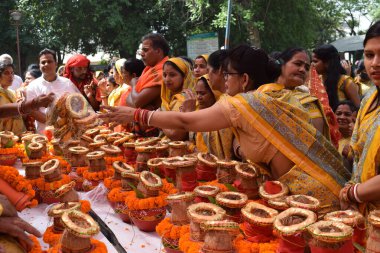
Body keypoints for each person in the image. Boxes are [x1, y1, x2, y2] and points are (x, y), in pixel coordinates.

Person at [100, 45, 350, 215]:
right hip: (313, 190)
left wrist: (136, 114)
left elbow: (188, 122)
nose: (223, 79)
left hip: (312, 197)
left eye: (227, 74)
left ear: (244, 79)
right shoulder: (274, 97)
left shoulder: (245, 103)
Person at [339, 20, 380, 215]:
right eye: (369, 55)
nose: (375, 63)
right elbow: (358, 154)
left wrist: (352, 193)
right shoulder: (368, 99)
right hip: (362, 209)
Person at [26, 48, 82, 133]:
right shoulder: (33, 86)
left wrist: (66, 121)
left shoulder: (67, 83)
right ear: (39, 65)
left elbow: (78, 105)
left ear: (56, 64)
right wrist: (54, 123)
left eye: (49, 61)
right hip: (44, 134)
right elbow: (32, 111)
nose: (46, 64)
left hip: (67, 131)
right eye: (43, 62)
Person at [126, 33, 170, 136]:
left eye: (145, 50)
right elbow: (130, 102)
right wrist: (138, 99)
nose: (142, 54)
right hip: (144, 129)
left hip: (158, 132)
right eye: (142, 51)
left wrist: (133, 85)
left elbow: (136, 102)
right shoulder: (148, 70)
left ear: (158, 51)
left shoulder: (163, 72)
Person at [193, 75, 234, 160]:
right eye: (197, 93)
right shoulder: (197, 112)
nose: (198, 97)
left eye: (202, 93)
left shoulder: (223, 118)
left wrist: (192, 148)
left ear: (214, 94)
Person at [312, 45, 361, 109]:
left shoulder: (346, 82)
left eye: (315, 61)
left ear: (327, 63)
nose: (312, 64)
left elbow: (358, 109)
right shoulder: (316, 81)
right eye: (312, 61)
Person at [160, 57, 195, 140]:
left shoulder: (184, 99)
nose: (167, 79)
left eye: (172, 75)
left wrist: (159, 119)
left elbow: (176, 135)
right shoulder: (169, 98)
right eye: (164, 75)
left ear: (184, 76)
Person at [0, 63, 25, 134]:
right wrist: (17, 109)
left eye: (12, 73)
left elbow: (21, 115)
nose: (11, 76)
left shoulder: (12, 93)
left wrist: (23, 103)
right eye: (6, 73)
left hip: (15, 136)